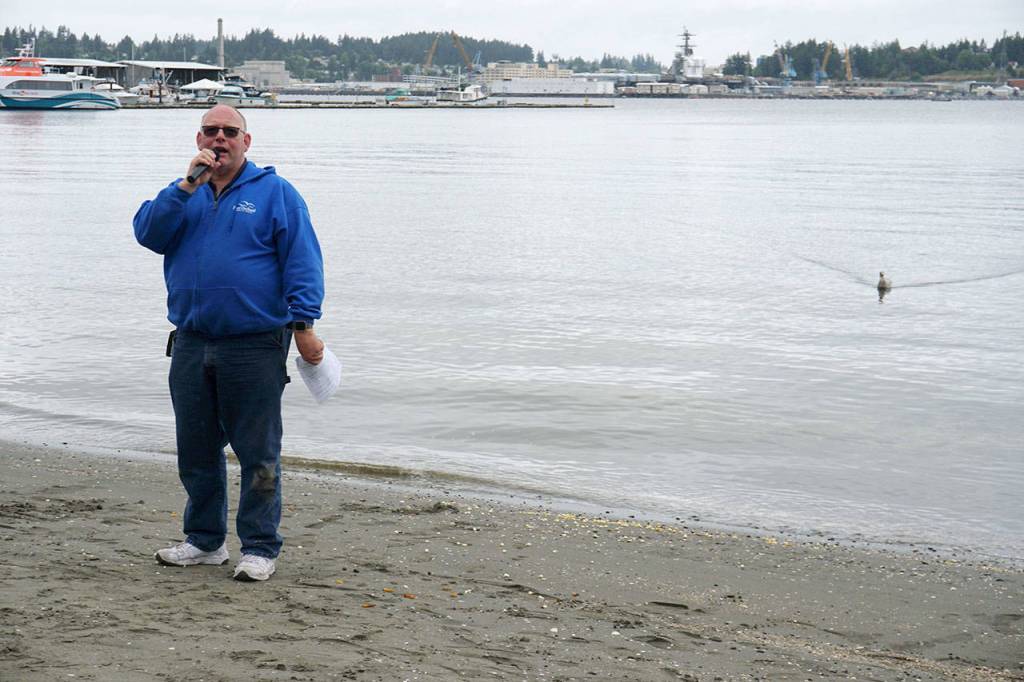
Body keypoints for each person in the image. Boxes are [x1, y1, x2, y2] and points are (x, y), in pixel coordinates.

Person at [134, 105, 325, 582]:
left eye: (229, 132)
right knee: (196, 449)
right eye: (211, 131)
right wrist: (185, 187)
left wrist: (305, 325)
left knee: (258, 452)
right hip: (192, 342)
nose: (220, 139)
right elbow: (148, 234)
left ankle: (260, 547)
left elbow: (301, 259)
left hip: (255, 343)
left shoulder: (276, 193)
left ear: (246, 141)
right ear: (199, 137)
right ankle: (204, 542)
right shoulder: (184, 192)